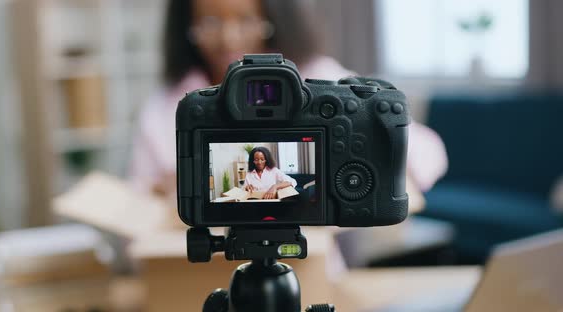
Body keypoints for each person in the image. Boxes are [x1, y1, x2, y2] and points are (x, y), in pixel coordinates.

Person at [130, 0, 448, 207]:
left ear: (272, 19)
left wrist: (383, 168)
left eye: (246, 20)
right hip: (189, 270)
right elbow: (133, 201)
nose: (229, 38)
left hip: (310, 264)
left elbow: (429, 149)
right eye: (210, 22)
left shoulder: (318, 78)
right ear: (187, 27)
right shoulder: (166, 107)